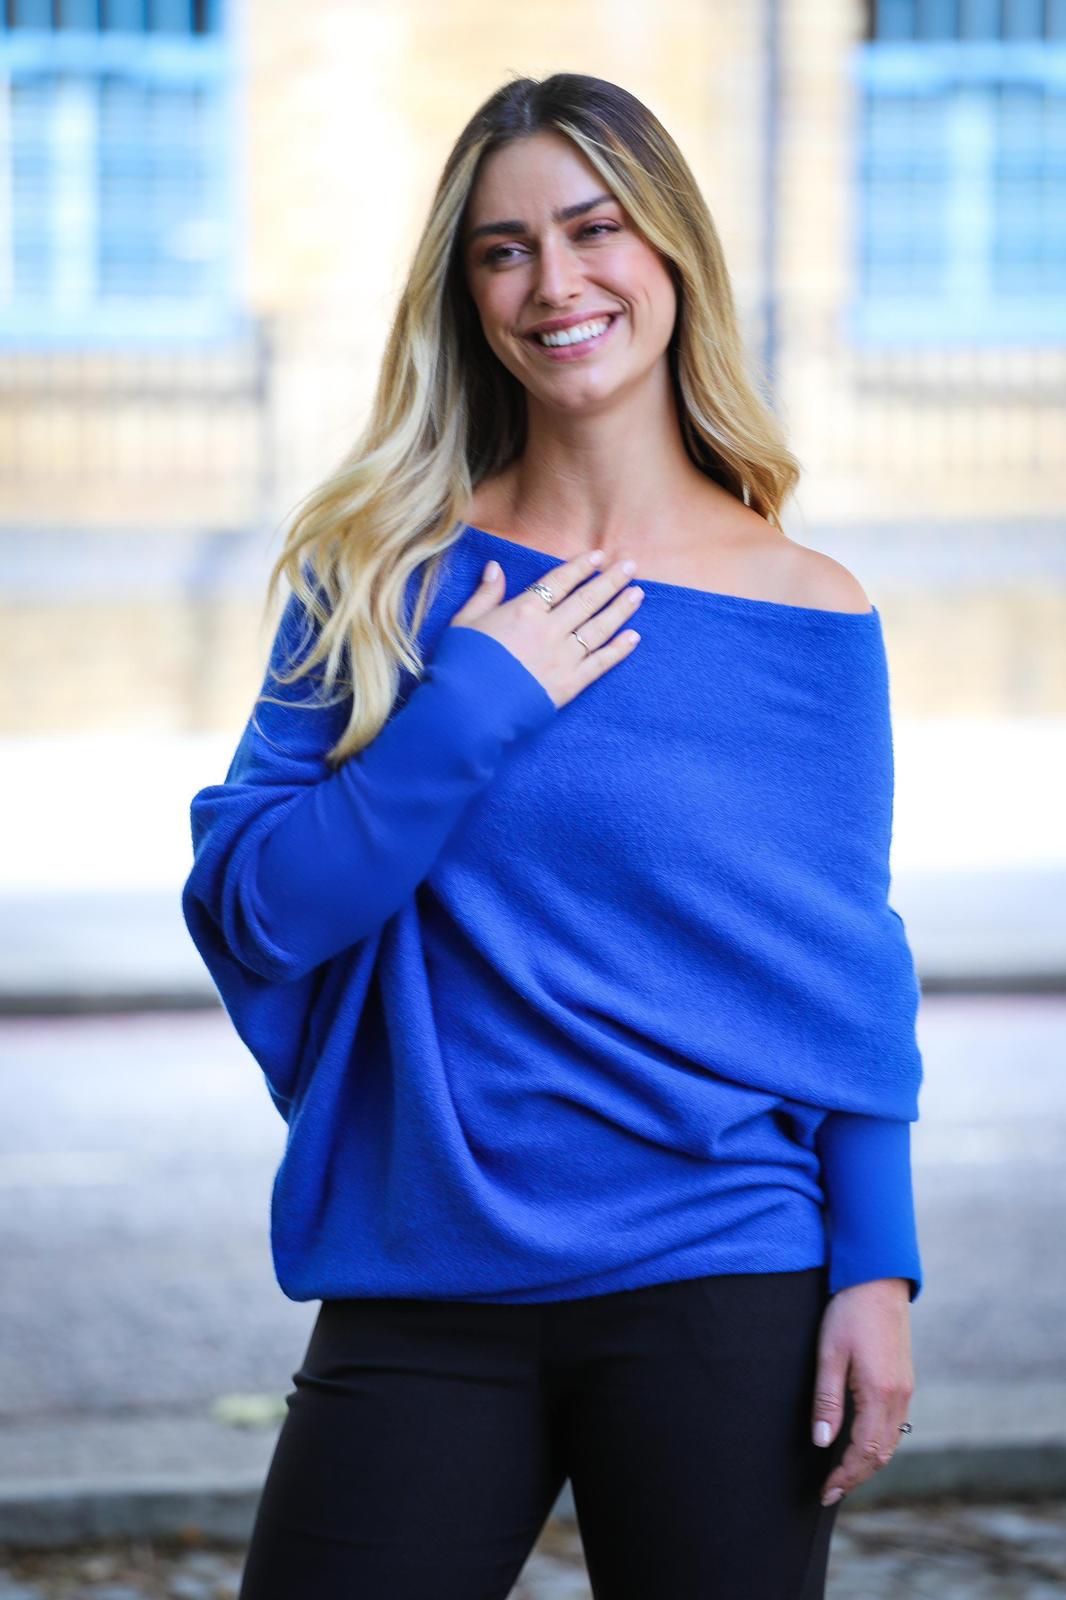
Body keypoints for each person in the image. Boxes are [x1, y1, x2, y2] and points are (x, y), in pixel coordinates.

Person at [182, 72, 923, 1600]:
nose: (554, 282)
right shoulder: (378, 573)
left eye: (594, 230)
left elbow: (841, 960)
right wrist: (470, 709)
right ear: (466, 295)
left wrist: (876, 1266)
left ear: (668, 258)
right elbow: (257, 911)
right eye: (502, 249)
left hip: (724, 1265)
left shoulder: (807, 609)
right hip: (425, 1266)